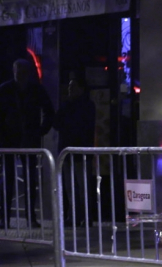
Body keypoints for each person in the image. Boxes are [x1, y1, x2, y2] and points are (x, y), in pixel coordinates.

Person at [0, 59, 55, 226]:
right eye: (17, 71)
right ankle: (6, 218)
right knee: (9, 180)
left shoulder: (33, 89)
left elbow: (49, 112)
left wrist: (40, 131)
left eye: (22, 71)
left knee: (28, 180)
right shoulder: (8, 89)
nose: (19, 74)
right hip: (11, 139)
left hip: (26, 139)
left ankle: (26, 217)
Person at [54, 75, 97, 226]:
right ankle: (73, 216)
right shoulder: (66, 105)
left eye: (73, 86)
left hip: (81, 152)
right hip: (67, 151)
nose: (70, 89)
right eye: (69, 86)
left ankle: (86, 217)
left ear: (81, 88)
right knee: (70, 187)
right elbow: (56, 123)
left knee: (83, 186)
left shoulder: (87, 106)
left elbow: (81, 127)